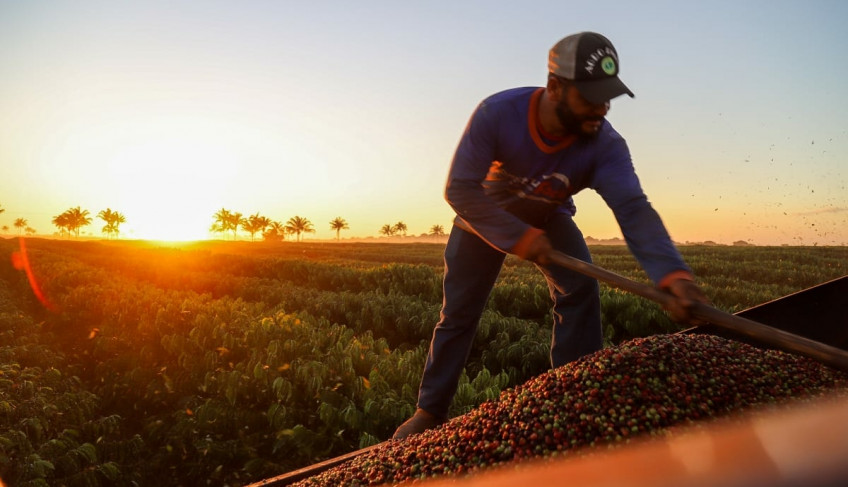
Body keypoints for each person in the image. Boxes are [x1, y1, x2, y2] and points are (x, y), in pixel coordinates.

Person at [392, 32, 710, 440]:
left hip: (549, 215)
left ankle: (574, 395)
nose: (602, 108)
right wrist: (516, 235)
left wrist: (673, 276)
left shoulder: (605, 145)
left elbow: (633, 209)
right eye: (590, 96)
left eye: (608, 97)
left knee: (579, 290)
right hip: (483, 215)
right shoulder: (497, 112)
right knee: (459, 312)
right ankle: (429, 410)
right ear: (555, 87)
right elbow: (460, 189)